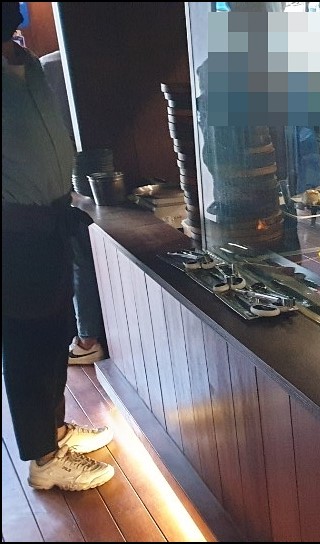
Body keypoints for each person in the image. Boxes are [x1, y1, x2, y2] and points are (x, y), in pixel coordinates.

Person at [2, 1, 115, 491]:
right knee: (27, 344)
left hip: (49, 221)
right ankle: (44, 460)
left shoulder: (25, 64)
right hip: (14, 233)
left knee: (53, 336)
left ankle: (54, 431)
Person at [39, 48, 108, 365]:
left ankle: (88, 337)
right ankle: (87, 334)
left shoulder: (47, 65)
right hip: (89, 171)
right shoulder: (55, 62)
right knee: (80, 253)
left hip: (71, 177)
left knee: (78, 254)